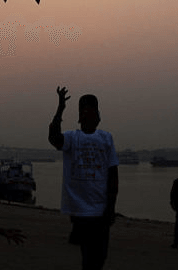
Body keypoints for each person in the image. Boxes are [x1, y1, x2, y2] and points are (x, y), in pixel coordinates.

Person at [48, 86, 119, 270]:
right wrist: (60, 109)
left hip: (101, 209)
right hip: (80, 211)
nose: (88, 114)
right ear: (80, 116)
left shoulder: (106, 138)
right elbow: (54, 138)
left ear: (98, 116)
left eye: (92, 111)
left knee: (100, 257)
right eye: (84, 111)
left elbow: (113, 175)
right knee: (89, 256)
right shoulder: (72, 138)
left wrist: (111, 207)